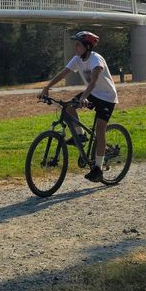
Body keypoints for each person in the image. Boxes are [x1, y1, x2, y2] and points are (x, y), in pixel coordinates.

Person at [37, 30, 118, 183]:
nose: (75, 47)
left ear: (87, 46)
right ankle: (80, 136)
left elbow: (93, 81)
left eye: (78, 44)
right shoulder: (77, 59)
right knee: (68, 107)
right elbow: (62, 74)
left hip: (107, 97)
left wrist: (84, 97)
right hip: (92, 93)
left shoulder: (96, 59)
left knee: (100, 128)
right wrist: (47, 87)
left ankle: (98, 169)